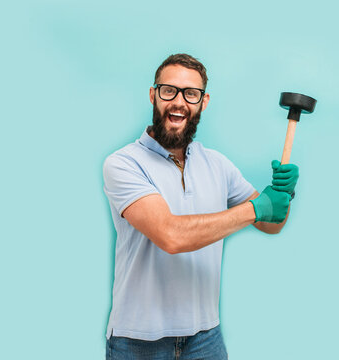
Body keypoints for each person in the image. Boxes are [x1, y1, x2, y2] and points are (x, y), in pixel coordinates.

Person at [102, 53, 299, 359]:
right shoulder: (124, 163)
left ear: (203, 102)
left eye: (190, 94)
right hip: (139, 341)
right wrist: (257, 207)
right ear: (153, 95)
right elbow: (171, 236)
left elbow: (271, 223)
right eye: (169, 90)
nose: (179, 102)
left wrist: (283, 195)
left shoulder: (217, 164)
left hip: (206, 337)